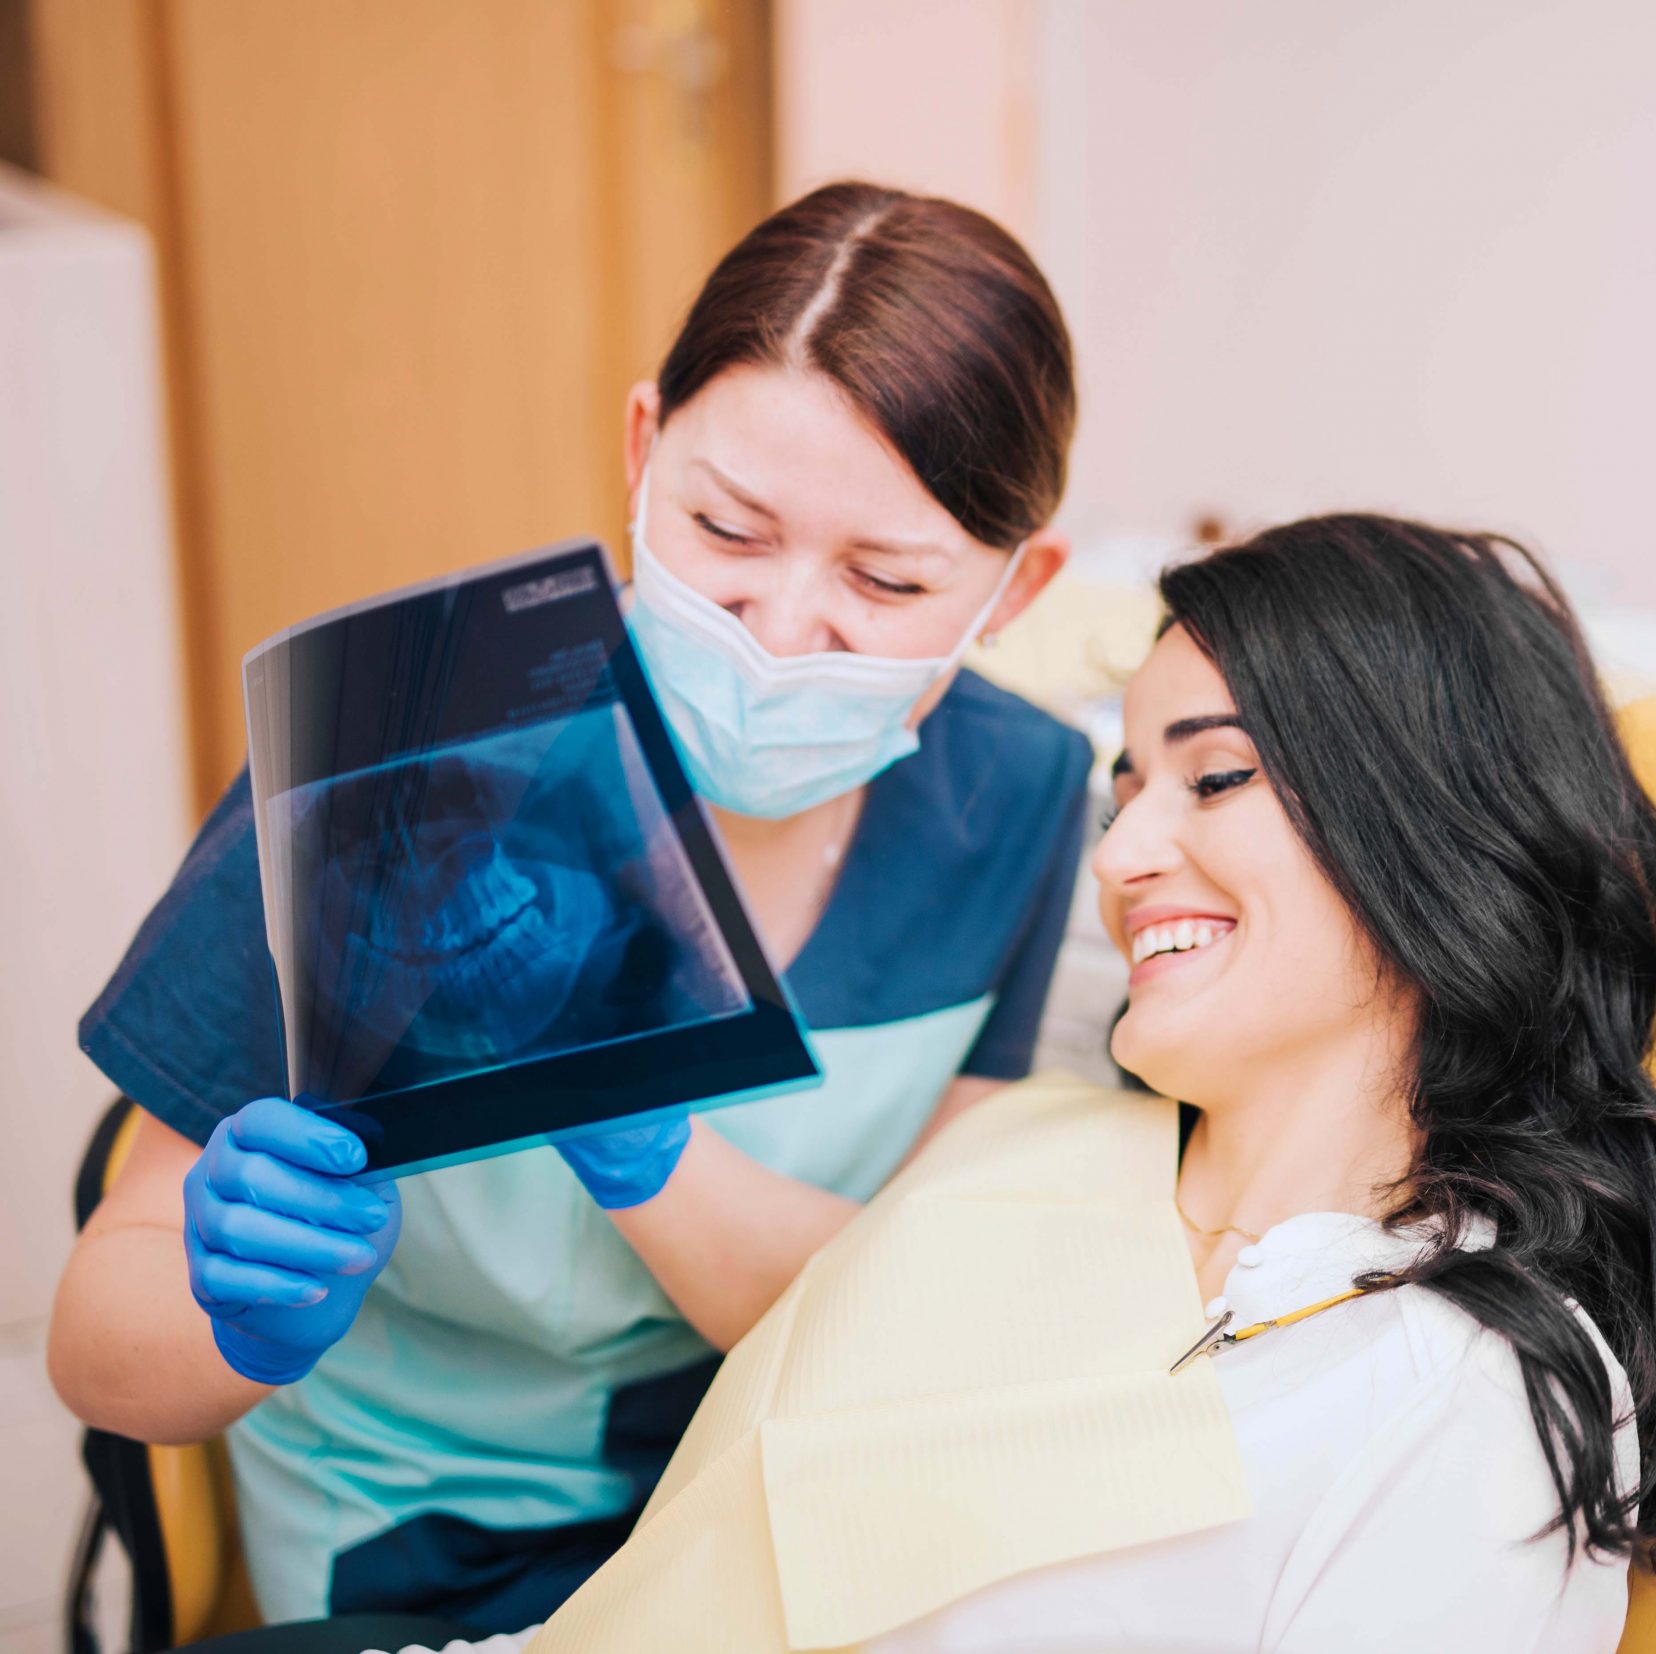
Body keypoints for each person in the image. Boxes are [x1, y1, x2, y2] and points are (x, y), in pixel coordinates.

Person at [509, 513, 1656, 1653]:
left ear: (1426, 826)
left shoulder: (1449, 1399)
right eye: (1126, 786)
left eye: (1213, 780)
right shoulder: (1045, 1138)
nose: (1124, 853)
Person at [47, 180, 1093, 1630]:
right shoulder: (404, 760)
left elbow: (902, 1317)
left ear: (1017, 588)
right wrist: (235, 1313)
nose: (783, 636)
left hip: (776, 1503)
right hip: (422, 1535)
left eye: (886, 578)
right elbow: (100, 1351)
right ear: (642, 450)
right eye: (728, 530)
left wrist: (640, 1132)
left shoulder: (1019, 799)